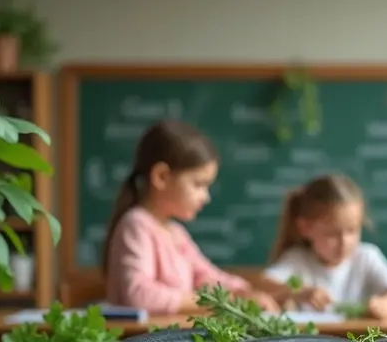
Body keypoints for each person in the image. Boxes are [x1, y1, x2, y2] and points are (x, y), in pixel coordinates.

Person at [102, 120, 280, 314]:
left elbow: (206, 276)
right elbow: (139, 295)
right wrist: (219, 301)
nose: (206, 197)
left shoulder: (176, 233)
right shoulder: (136, 224)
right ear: (161, 177)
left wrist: (244, 291)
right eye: (198, 184)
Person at [262, 174, 387, 318]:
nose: (344, 242)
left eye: (352, 230)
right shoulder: (297, 260)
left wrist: (386, 304)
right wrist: (300, 292)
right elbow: (264, 285)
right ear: (305, 228)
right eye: (332, 234)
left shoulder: (366, 257)